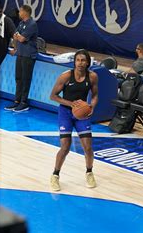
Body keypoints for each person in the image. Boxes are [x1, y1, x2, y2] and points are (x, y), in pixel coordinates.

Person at [49, 49, 99, 191]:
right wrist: (70, 104)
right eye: (78, 60)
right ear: (74, 62)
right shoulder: (65, 76)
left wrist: (91, 107)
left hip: (81, 114)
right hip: (65, 112)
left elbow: (95, 95)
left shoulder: (93, 77)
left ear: (88, 62)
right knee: (65, 147)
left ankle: (89, 172)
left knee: (88, 147)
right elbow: (53, 96)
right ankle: (55, 175)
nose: (80, 63)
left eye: (83, 60)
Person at [4, 5, 38, 112]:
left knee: (25, 79)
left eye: (20, 11)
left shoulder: (32, 24)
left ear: (25, 12)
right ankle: (16, 101)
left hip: (28, 56)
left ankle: (24, 102)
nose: (18, 13)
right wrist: (15, 48)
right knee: (18, 78)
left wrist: (18, 36)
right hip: (20, 54)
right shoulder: (21, 23)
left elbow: (22, 39)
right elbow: (15, 36)